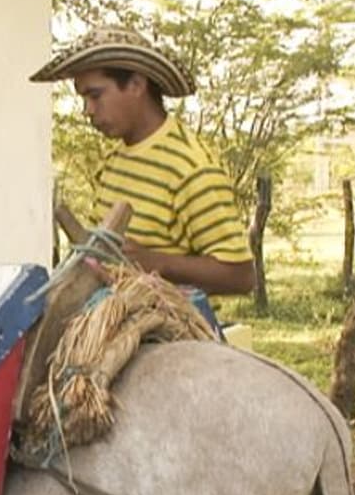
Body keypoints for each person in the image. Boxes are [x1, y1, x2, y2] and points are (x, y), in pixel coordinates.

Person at [30, 25, 256, 298]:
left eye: (95, 95)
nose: (87, 111)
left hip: (165, 332)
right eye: (83, 98)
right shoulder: (113, 161)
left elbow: (241, 276)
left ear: (136, 85)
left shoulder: (190, 168)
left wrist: (155, 262)